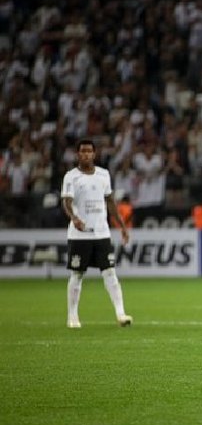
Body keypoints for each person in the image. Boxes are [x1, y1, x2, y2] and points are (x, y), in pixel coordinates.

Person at [61, 139, 132, 328]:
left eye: (89, 151)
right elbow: (66, 202)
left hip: (101, 233)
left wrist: (122, 227)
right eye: (82, 151)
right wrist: (74, 218)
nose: (85, 154)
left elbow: (110, 202)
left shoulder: (103, 175)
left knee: (110, 272)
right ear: (78, 154)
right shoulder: (71, 177)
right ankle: (73, 316)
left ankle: (121, 314)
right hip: (79, 234)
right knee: (77, 274)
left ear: (94, 154)